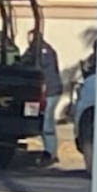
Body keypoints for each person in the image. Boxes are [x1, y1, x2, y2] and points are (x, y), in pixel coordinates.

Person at [21, 30, 63, 167]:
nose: (29, 42)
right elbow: (24, 62)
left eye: (32, 39)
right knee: (35, 120)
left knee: (47, 123)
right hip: (38, 92)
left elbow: (41, 67)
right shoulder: (33, 52)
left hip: (50, 92)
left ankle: (50, 153)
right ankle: (47, 151)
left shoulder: (45, 52)